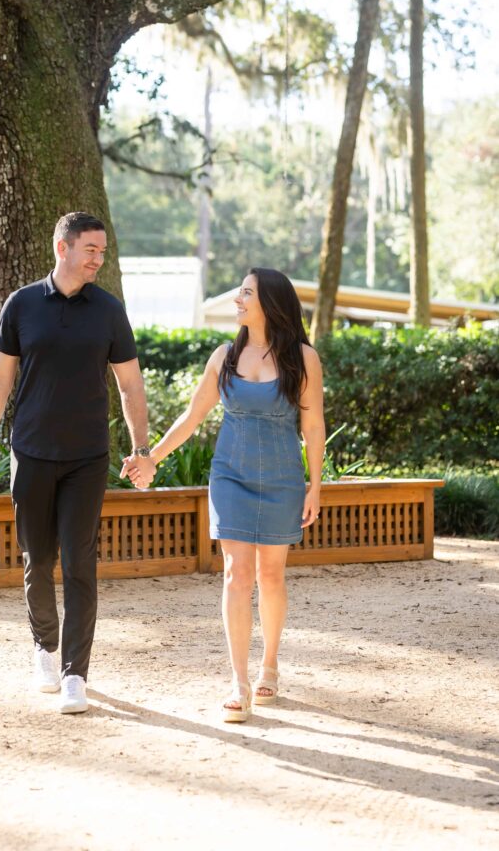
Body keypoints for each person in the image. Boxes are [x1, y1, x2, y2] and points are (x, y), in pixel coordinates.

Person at [0, 211, 155, 714]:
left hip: (87, 458)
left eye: (102, 251)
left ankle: (76, 671)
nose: (98, 259)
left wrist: (141, 449)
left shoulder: (109, 310)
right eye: (91, 249)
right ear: (63, 248)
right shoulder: (22, 305)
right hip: (30, 453)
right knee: (36, 562)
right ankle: (44, 649)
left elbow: (130, 384)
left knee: (79, 564)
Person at [123, 268, 325, 722]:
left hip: (282, 478)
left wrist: (315, 485)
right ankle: (238, 682)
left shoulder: (302, 358)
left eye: (246, 293)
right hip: (230, 476)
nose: (237, 299)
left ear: (269, 303)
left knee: (270, 576)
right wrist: (150, 457)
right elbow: (192, 417)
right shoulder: (224, 356)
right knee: (237, 571)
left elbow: (313, 426)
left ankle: (268, 666)